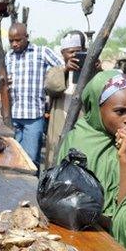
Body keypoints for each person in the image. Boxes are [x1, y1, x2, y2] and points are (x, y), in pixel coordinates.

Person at [57, 71, 126, 251]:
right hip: (75, 239)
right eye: (120, 111)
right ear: (96, 108)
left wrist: (124, 158)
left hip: (115, 245)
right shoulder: (76, 141)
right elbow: (62, 199)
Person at [6, 23, 63, 169]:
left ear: (27, 37)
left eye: (18, 40)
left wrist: (50, 80)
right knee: (12, 159)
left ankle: (30, 191)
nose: (14, 44)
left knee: (30, 161)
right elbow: (0, 81)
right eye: (11, 41)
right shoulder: (8, 56)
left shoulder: (41, 52)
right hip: (13, 116)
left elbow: (62, 67)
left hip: (33, 117)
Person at [43, 30, 86, 169]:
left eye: (77, 51)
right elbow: (51, 86)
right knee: (56, 162)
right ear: (63, 54)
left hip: (81, 128)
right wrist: (66, 70)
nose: (73, 55)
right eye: (70, 52)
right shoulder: (56, 71)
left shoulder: (89, 71)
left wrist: (96, 70)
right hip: (60, 127)